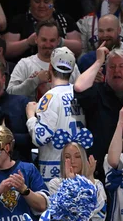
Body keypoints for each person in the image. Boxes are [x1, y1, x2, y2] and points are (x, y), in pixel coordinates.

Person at [74, 47, 123, 181]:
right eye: (112, 66)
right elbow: (79, 88)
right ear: (105, 70)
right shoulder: (95, 93)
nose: (117, 71)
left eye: (122, 66)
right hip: (99, 171)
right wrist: (99, 61)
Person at [25, 46, 87, 183]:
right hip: (79, 167)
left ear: (50, 68)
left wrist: (30, 116)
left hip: (54, 171)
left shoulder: (49, 97)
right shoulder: (80, 94)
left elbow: (40, 137)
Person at [46, 143, 106, 221]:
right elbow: (59, 210)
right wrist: (70, 183)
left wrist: (89, 179)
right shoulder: (54, 184)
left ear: (84, 159)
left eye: (77, 156)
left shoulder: (97, 184)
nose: (72, 161)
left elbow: (98, 214)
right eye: (67, 157)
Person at [3, 0, 81, 60]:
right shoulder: (19, 20)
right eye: (37, 1)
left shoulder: (65, 19)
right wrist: (28, 42)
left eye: (46, 2)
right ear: (30, 2)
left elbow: (78, 49)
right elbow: (6, 50)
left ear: (52, 2)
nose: (42, 5)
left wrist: (58, 41)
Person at [9, 22, 81, 102]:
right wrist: (35, 81)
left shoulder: (69, 64)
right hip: (31, 113)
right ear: (36, 39)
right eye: (44, 40)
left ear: (58, 41)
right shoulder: (24, 64)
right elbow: (10, 93)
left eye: (52, 40)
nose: (47, 44)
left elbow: (81, 93)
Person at [77, 15, 123, 89]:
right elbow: (75, 88)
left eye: (109, 30)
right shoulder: (86, 60)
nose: (105, 35)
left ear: (119, 30)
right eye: (101, 31)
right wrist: (89, 79)